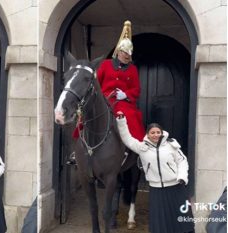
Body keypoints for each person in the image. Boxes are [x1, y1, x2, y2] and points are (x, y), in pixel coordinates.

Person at [69, 20, 145, 165]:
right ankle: (77, 151)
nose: (127, 56)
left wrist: (126, 95)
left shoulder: (132, 69)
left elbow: (136, 89)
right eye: (124, 53)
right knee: (85, 115)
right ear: (119, 51)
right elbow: (96, 82)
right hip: (104, 99)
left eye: (129, 54)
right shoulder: (105, 64)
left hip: (123, 102)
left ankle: (135, 151)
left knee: (130, 116)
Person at [116, 111, 194, 233]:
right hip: (156, 190)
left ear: (162, 133)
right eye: (153, 133)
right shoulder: (142, 148)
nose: (156, 135)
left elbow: (182, 161)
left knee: (182, 221)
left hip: (176, 187)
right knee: (161, 222)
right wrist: (121, 120)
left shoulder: (171, 145)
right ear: (148, 134)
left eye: (158, 132)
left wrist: (182, 177)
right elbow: (127, 138)